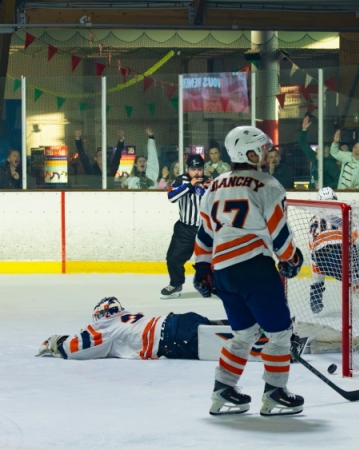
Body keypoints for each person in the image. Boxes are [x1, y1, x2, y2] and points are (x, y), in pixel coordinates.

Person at [193, 125, 305, 416]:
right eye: (263, 149)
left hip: (222, 273)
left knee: (243, 334)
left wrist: (202, 269)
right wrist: (291, 259)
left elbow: (205, 233)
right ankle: (276, 394)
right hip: (254, 269)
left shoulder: (214, 185)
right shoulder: (267, 184)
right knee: (280, 334)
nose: (266, 154)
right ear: (249, 152)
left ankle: (223, 391)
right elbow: (278, 231)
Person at [35, 297, 236, 360]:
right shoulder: (128, 315)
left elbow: (72, 349)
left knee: (229, 347)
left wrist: (56, 342)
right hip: (181, 320)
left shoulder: (104, 327)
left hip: (173, 339)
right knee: (223, 328)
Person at [161, 153, 209, 299]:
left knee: (211, 261)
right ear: (188, 169)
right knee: (173, 258)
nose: (197, 172)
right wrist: (189, 185)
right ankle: (176, 284)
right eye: (193, 169)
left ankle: (213, 285)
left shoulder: (209, 181)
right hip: (185, 229)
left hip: (205, 229)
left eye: (199, 168)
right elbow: (171, 197)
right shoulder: (181, 180)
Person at [299, 115, 340, 190]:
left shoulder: (330, 164)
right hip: (311, 193)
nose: (323, 153)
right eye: (321, 150)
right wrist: (304, 129)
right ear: (317, 149)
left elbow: (338, 182)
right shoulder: (313, 156)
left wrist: (324, 187)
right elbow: (303, 144)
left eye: (326, 152)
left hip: (325, 195)